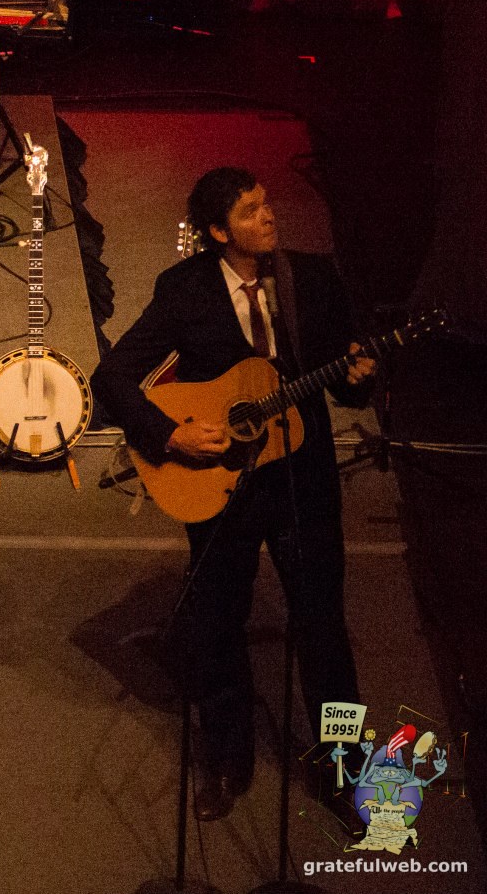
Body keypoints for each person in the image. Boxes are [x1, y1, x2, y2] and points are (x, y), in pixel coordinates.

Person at [91, 168, 374, 822]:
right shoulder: (185, 291)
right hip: (221, 484)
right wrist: (171, 434)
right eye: (250, 211)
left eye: (266, 203)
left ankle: (344, 772)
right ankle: (229, 754)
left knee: (323, 626)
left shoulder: (312, 280)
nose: (268, 216)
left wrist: (361, 377)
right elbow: (115, 376)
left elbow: (345, 385)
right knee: (219, 620)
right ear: (219, 232)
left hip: (302, 479)